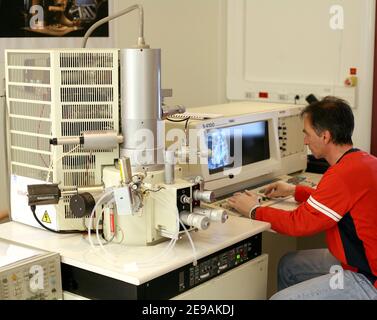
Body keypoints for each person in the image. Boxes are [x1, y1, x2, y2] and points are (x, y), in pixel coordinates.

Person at [228, 96, 377, 300]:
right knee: (290, 266)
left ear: (325, 136)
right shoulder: (363, 162)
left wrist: (254, 209)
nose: (305, 141)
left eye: (306, 134)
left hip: (369, 279)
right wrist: (294, 190)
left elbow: (299, 224)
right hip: (363, 263)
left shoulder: (342, 175)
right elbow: (339, 203)